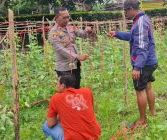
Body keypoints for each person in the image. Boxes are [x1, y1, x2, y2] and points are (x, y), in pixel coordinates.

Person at [107, 0, 158, 131]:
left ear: (130, 9)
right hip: (150, 61)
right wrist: (117, 34)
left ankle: (142, 121)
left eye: (125, 11)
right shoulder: (142, 19)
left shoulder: (140, 22)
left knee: (139, 90)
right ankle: (152, 114)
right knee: (148, 86)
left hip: (144, 63)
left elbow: (141, 46)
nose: (125, 14)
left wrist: (137, 67)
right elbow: (133, 37)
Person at [42, 75, 101, 140]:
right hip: (94, 136)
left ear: (62, 86)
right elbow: (88, 110)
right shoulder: (87, 91)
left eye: (57, 83)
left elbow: (50, 124)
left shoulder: (56, 98)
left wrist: (59, 114)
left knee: (46, 126)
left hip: (74, 138)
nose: (56, 86)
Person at [49, 7, 92, 89]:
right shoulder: (54, 32)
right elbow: (60, 49)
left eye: (68, 17)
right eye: (64, 17)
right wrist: (77, 56)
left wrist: (87, 31)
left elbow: (81, 34)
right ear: (56, 18)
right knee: (67, 92)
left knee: (76, 88)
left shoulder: (69, 27)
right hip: (64, 68)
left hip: (75, 65)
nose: (67, 19)